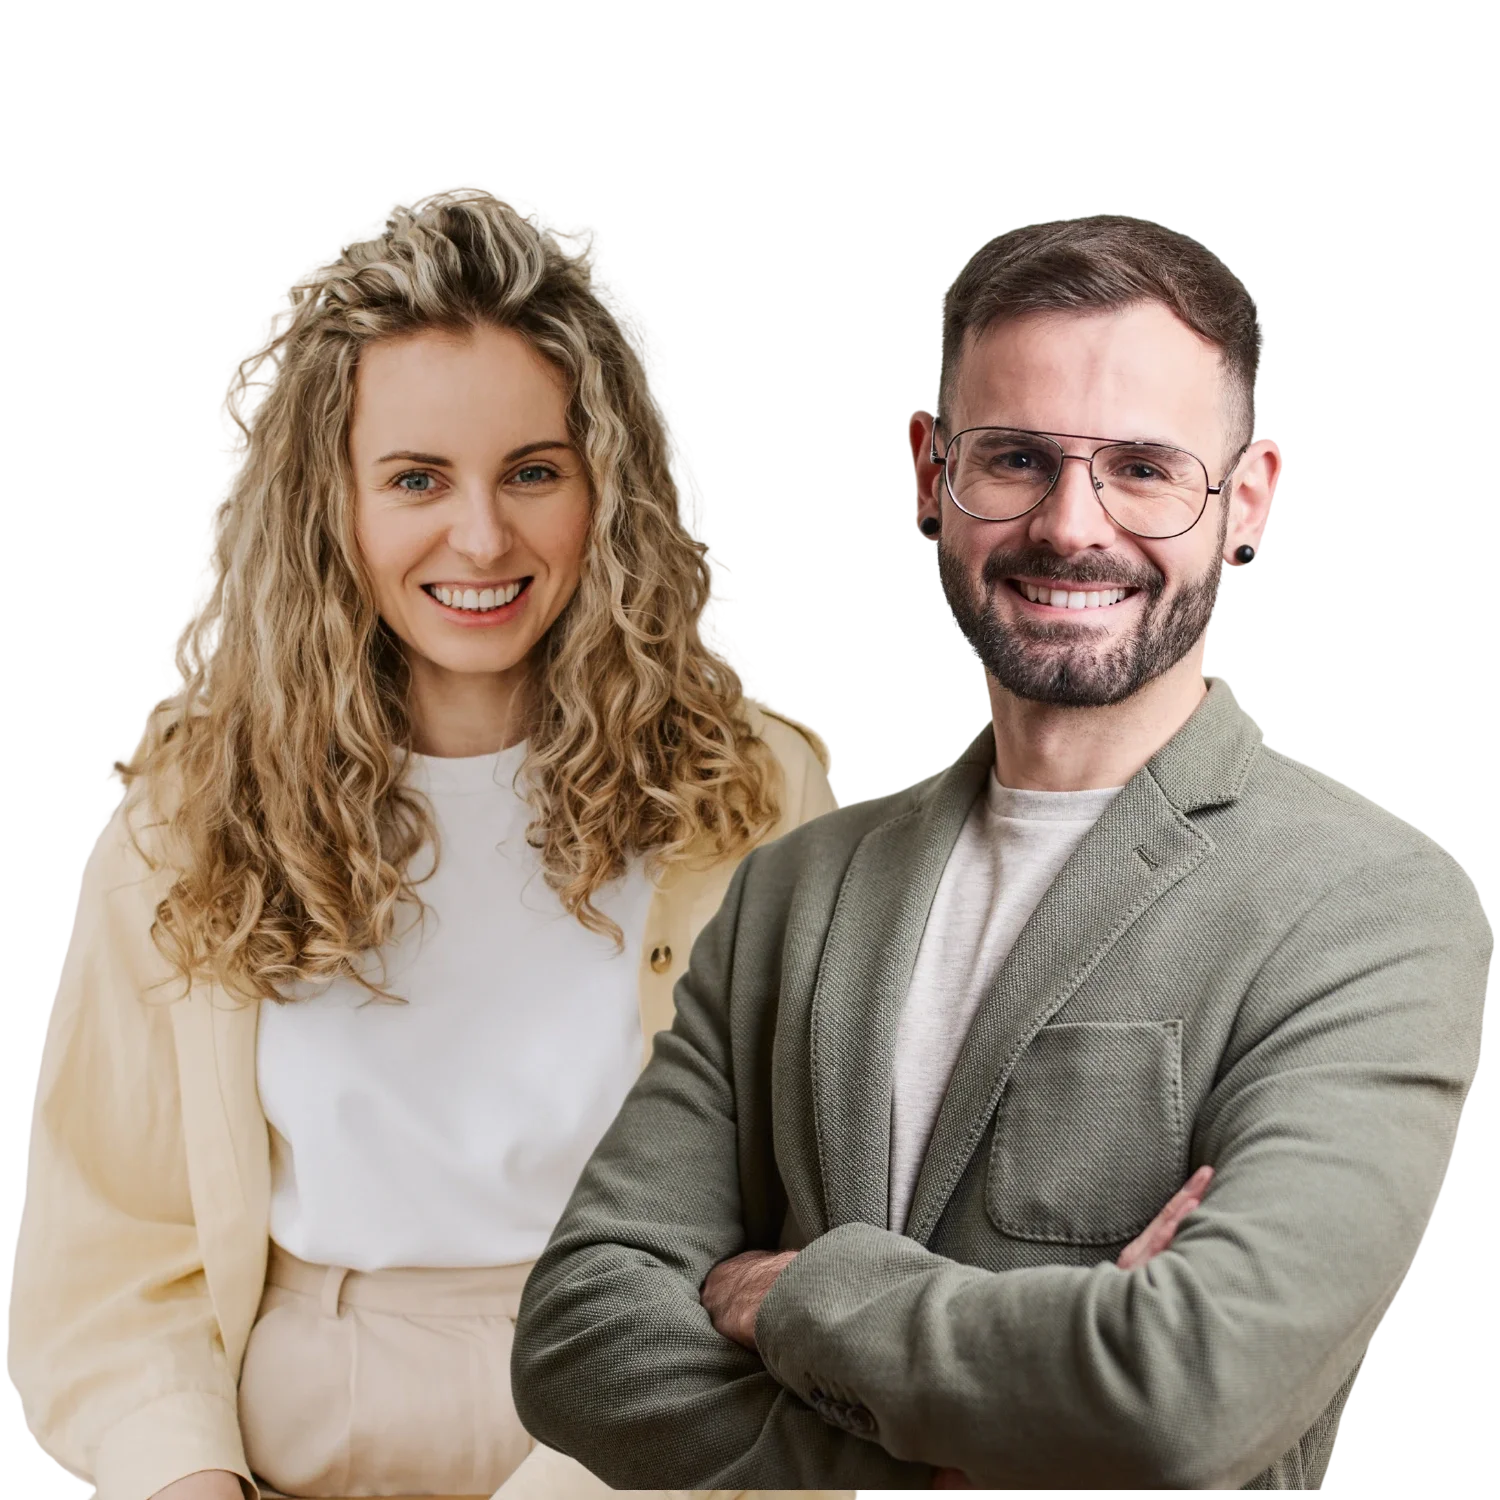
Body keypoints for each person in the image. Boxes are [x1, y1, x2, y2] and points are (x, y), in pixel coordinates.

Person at [507, 215, 1494, 1495]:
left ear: (1247, 502)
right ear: (931, 473)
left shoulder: (1371, 904)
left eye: (1146, 468)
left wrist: (789, 1292)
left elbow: (1190, 1393)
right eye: (1018, 458)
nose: (1071, 526)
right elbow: (577, 1334)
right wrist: (997, 1433)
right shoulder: (796, 891)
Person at [9, 184, 857, 1500]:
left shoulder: (757, 796)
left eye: (533, 472)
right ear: (331, 507)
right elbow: (106, 1263)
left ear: (605, 492)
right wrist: (183, 1482)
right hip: (296, 1437)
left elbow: (817, 1232)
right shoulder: (181, 822)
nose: (481, 537)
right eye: (416, 479)